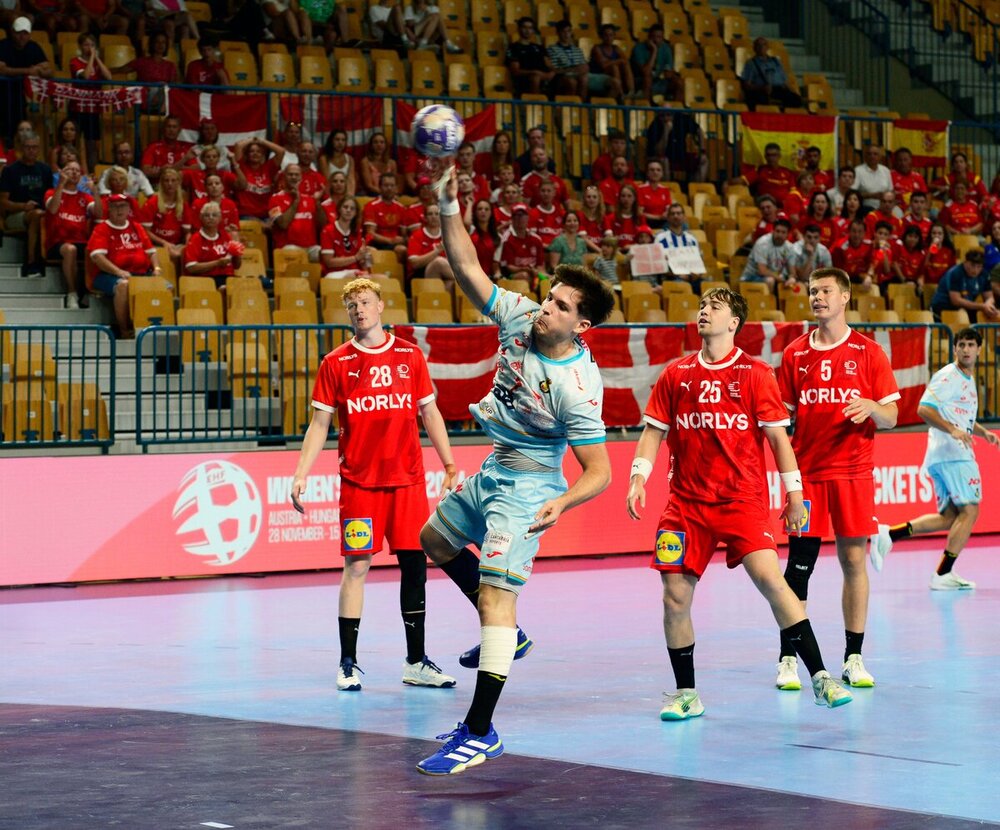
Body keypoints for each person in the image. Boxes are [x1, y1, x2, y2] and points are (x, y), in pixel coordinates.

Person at [415, 166, 616, 776]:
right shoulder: (519, 316)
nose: (543, 307)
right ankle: (512, 638)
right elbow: (468, 266)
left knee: (496, 601)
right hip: (494, 467)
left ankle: (480, 731)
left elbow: (600, 470)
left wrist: (563, 502)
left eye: (558, 306)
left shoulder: (578, 386)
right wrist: (450, 202)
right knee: (433, 539)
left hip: (530, 485)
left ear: (580, 325)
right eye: (547, 295)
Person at [626, 286, 852, 719]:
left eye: (715, 307)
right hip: (686, 505)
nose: (704, 312)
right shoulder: (676, 374)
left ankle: (821, 676)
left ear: (734, 323)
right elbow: (653, 431)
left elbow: (779, 441)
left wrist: (795, 494)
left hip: (741, 501)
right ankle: (686, 693)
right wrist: (638, 477)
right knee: (674, 596)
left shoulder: (755, 374)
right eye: (702, 306)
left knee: (771, 580)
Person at [290, 277, 459, 693]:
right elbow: (319, 424)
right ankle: (348, 663)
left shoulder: (410, 356)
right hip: (359, 484)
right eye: (352, 306)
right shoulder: (336, 363)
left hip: (407, 481)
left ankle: (416, 661)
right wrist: (300, 473)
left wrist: (450, 463)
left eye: (365, 303)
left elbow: (430, 413)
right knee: (357, 565)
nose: (360, 311)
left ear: (381, 306)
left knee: (416, 566)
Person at [775, 267, 900, 692]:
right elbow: (781, 419)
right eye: (812, 291)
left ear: (845, 296)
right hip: (808, 477)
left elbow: (892, 416)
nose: (817, 297)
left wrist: (871, 406)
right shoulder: (794, 354)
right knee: (798, 569)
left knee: (853, 562)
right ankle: (788, 660)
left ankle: (853, 657)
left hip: (853, 474)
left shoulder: (868, 352)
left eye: (826, 290)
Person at [871, 328, 1000, 589]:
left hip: (942, 455)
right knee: (971, 511)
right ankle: (943, 574)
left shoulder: (966, 377)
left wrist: (983, 432)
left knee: (950, 516)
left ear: (978, 350)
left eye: (970, 345)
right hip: (953, 454)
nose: (965, 349)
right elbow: (924, 408)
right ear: (955, 349)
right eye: (961, 345)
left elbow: (959, 416)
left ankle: (889, 533)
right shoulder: (949, 376)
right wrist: (952, 430)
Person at [86, 194, 160, 337]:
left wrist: (156, 268)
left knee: (166, 287)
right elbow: (97, 257)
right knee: (123, 285)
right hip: (107, 275)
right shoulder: (102, 228)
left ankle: (154, 331)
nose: (119, 210)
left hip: (141, 273)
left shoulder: (137, 227)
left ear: (128, 209)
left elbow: (151, 252)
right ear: (109, 209)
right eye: (115, 207)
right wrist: (118, 271)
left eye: (123, 206)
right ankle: (124, 329)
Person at [44, 158, 100, 309]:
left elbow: (99, 214)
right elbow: (53, 209)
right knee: (70, 249)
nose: (74, 173)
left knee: (98, 250)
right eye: (70, 169)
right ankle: (72, 293)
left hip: (81, 242)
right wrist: (61, 184)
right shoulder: (51, 192)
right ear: (62, 173)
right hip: (57, 243)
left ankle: (89, 293)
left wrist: (94, 191)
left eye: (77, 171)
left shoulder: (84, 197)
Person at [0, 131, 52, 276]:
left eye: (34, 147)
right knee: (36, 215)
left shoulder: (45, 170)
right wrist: (23, 206)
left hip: (41, 213)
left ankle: (47, 259)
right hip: (15, 215)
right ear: (21, 148)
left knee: (40, 215)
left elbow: (50, 197)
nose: (31, 150)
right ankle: (31, 263)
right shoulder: (10, 171)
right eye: (28, 147)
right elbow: (2, 202)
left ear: (39, 149)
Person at [0, 17, 52, 141]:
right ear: (12, 32)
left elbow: (49, 70)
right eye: (19, 33)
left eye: (25, 33)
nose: (22, 36)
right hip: (2, 95)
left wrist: (40, 71)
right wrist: (28, 71)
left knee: (18, 132)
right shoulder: (3, 45)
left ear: (30, 34)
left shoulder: (33, 47)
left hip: (20, 97)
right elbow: (1, 69)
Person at [548, 20, 619, 101]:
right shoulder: (552, 49)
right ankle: (581, 108)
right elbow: (554, 70)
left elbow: (584, 66)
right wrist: (574, 70)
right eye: (563, 31)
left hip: (585, 74)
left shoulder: (577, 50)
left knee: (615, 83)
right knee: (579, 80)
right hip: (565, 75)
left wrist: (584, 68)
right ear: (558, 33)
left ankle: (601, 106)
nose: (566, 34)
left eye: (568, 31)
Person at [268, 163, 325, 262]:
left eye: (296, 174)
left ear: (301, 177)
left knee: (324, 253)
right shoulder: (275, 199)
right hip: (287, 248)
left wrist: (317, 203)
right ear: (284, 177)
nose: (294, 177)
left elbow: (322, 224)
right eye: (290, 174)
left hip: (311, 248)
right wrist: (296, 201)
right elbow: (283, 224)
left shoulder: (310, 199)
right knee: (291, 252)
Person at [183, 202, 242, 288]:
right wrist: (217, 263)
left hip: (229, 278)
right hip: (205, 280)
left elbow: (237, 266)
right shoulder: (195, 239)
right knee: (225, 289)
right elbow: (191, 267)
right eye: (207, 215)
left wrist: (237, 252)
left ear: (220, 218)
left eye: (214, 215)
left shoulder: (226, 236)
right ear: (201, 218)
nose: (210, 218)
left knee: (248, 287)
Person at [929, 249, 997, 321]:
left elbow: (990, 297)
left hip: (966, 308)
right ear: (965, 262)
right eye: (972, 265)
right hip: (943, 307)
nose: (975, 270)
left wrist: (988, 305)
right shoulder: (955, 273)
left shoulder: (984, 275)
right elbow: (956, 301)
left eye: (979, 266)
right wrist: (982, 306)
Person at [645, 108, 708, 182]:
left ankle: (696, 189)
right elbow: (659, 152)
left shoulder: (681, 119)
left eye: (669, 115)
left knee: (704, 160)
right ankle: (668, 188)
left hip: (680, 155)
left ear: (673, 115)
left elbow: (699, 131)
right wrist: (666, 132)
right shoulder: (654, 126)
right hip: (660, 157)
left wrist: (702, 151)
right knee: (664, 161)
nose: (666, 118)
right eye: (662, 116)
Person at [740, 36, 802, 110]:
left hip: (778, 89)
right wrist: (761, 88)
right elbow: (747, 85)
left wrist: (791, 90)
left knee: (796, 99)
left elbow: (784, 81)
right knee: (761, 99)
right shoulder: (751, 64)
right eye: (758, 45)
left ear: (767, 47)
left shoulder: (775, 61)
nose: (761, 47)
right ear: (754, 48)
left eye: (764, 45)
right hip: (761, 90)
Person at [360, 171, 407, 264]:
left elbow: (404, 234)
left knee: (403, 249)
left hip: (394, 244)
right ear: (380, 187)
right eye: (386, 185)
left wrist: (403, 239)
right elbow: (370, 233)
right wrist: (390, 240)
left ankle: (403, 278)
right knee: (369, 251)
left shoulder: (401, 208)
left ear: (396, 188)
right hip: (376, 243)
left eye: (392, 185)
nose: (389, 188)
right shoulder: (371, 206)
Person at [319, 196, 370, 278]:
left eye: (352, 208)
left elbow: (361, 261)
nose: (348, 210)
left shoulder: (357, 231)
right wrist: (355, 258)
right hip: (334, 273)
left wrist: (365, 260)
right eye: (345, 207)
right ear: (339, 209)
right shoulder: (328, 230)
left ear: (356, 213)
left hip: (355, 272)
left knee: (383, 279)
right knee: (359, 278)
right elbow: (329, 262)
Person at [654, 203, 701, 290]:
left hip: (692, 278)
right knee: (681, 285)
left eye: (679, 213)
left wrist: (694, 275)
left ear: (684, 217)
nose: (676, 216)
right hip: (671, 278)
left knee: (711, 288)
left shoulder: (692, 239)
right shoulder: (660, 238)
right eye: (673, 214)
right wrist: (678, 274)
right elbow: (659, 265)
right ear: (668, 217)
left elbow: (698, 262)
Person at [495, 202, 544, 281]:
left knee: (551, 279)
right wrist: (526, 269)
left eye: (523, 215)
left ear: (528, 217)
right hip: (511, 276)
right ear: (512, 219)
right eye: (517, 215)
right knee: (524, 276)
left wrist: (538, 272)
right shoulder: (507, 239)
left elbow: (540, 266)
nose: (520, 218)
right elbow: (509, 267)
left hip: (533, 274)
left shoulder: (536, 239)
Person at [505, 17, 554, 97]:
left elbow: (549, 65)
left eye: (530, 28)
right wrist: (534, 72)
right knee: (535, 78)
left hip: (544, 76)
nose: (527, 30)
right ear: (519, 29)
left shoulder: (539, 47)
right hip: (526, 79)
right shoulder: (513, 48)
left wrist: (552, 73)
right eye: (525, 27)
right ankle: (535, 105)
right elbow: (515, 71)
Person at [630, 23, 679, 101]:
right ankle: (647, 109)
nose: (656, 40)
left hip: (657, 80)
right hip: (640, 81)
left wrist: (669, 73)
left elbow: (668, 72)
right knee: (648, 78)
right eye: (653, 37)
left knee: (678, 82)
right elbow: (646, 72)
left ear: (662, 38)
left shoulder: (666, 49)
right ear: (648, 37)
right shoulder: (638, 48)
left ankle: (675, 110)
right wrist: (654, 51)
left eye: (659, 37)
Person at [741, 217, 794, 290]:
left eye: (783, 232)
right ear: (773, 231)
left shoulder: (789, 247)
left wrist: (791, 279)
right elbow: (762, 271)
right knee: (770, 280)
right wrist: (781, 279)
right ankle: (769, 301)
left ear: (788, 234)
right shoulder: (763, 243)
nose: (779, 235)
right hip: (751, 277)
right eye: (777, 231)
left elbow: (792, 271)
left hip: (774, 277)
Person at [141, 116, 193, 186]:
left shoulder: (185, 148)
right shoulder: (153, 147)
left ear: (179, 130)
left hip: (181, 187)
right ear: (163, 129)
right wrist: (161, 171)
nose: (171, 130)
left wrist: (171, 168)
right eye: (169, 126)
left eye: (174, 127)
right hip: (158, 186)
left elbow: (196, 168)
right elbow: (145, 170)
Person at [589, 23, 632, 100]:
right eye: (606, 35)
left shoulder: (616, 48)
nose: (608, 38)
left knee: (625, 65)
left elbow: (625, 61)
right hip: (599, 74)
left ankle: (631, 92)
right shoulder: (597, 48)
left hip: (612, 74)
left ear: (614, 36)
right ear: (601, 36)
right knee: (614, 67)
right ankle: (620, 94)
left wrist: (616, 61)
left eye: (611, 35)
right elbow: (603, 65)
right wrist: (618, 61)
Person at [854, 145, 893, 211]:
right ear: (865, 157)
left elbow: (891, 190)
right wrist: (870, 195)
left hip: (885, 207)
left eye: (875, 154)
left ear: (880, 157)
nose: (872, 156)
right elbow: (852, 194)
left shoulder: (885, 170)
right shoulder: (858, 171)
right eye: (869, 154)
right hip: (866, 207)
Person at [635, 159, 672, 228]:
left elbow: (668, 209)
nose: (655, 172)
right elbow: (639, 213)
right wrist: (658, 217)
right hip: (647, 222)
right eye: (652, 170)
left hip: (663, 221)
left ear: (662, 174)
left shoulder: (665, 190)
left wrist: (666, 214)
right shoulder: (640, 189)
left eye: (658, 170)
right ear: (647, 173)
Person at [319, 129, 356, 196]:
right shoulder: (324, 159)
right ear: (331, 141)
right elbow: (327, 181)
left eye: (343, 140)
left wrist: (350, 197)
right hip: (330, 194)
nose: (340, 142)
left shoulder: (350, 159)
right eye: (337, 139)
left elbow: (351, 180)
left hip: (346, 194)